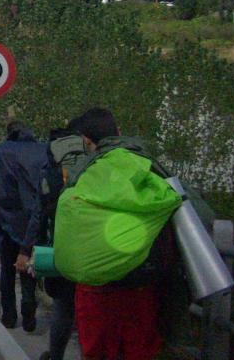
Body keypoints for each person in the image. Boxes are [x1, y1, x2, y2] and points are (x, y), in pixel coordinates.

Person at [63, 107, 177, 360]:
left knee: (98, 352)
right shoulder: (149, 164)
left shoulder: (83, 172)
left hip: (97, 290)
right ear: (119, 132)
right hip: (142, 287)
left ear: (87, 141)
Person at [22, 122, 90, 360]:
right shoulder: (94, 157)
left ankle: (56, 356)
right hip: (98, 244)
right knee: (91, 312)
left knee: (63, 307)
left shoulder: (53, 161)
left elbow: (40, 212)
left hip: (63, 244)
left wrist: (28, 249)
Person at [0, 120, 48, 332]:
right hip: (33, 222)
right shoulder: (42, 150)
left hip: (6, 221)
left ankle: (9, 316)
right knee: (28, 268)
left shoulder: (2, 151)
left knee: (7, 272)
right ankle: (29, 313)